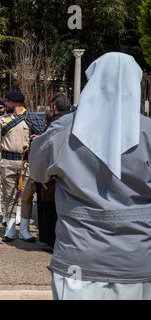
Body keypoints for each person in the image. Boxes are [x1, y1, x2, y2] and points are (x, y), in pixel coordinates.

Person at [30, 52, 151, 300]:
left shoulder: (62, 130)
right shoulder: (148, 132)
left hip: (79, 255)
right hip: (138, 259)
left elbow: (37, 171)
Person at [0, 91, 46, 243]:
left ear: (15, 103)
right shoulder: (2, 120)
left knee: (26, 197)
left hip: (27, 163)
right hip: (7, 162)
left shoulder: (33, 118)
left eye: (7, 102)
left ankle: (25, 230)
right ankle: (10, 229)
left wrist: (38, 138)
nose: (4, 104)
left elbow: (46, 138)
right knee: (9, 196)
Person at [35, 94, 72, 252]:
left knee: (50, 209)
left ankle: (52, 241)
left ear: (55, 107)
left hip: (54, 172)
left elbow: (46, 147)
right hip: (71, 172)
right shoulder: (76, 120)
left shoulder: (57, 124)